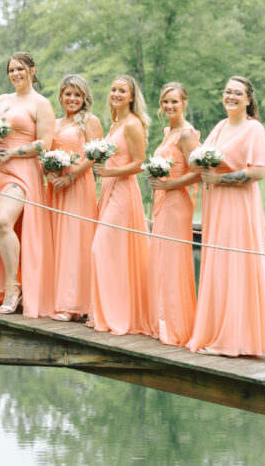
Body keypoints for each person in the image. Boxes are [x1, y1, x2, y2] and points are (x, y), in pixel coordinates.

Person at [188, 76, 265, 356]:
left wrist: (220, 179)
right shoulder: (219, 127)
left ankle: (234, 340)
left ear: (248, 99)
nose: (231, 96)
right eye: (227, 92)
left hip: (238, 206)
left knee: (235, 264)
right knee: (218, 266)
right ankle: (218, 333)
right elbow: (202, 156)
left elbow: (258, 172)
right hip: (216, 206)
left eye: (237, 93)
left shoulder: (254, 130)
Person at [0, 51, 56, 317]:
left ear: (32, 70)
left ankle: (14, 288)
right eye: (11, 70)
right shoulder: (1, 99)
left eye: (20, 69)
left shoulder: (41, 103)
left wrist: (13, 152)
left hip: (22, 171)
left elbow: (45, 143)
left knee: (3, 221)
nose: (15, 74)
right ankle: (2, 286)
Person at [90, 75, 152, 336]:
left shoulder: (133, 124)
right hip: (108, 189)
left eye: (122, 90)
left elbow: (139, 163)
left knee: (101, 247)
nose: (116, 94)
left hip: (124, 191)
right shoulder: (115, 124)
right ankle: (104, 313)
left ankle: (117, 315)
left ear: (131, 96)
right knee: (114, 252)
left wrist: (109, 173)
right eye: (113, 89)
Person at [146, 82, 201, 346]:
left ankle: (176, 328)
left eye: (174, 102)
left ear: (184, 102)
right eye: (165, 102)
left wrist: (169, 184)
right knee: (161, 263)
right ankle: (162, 321)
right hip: (162, 200)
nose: (169, 106)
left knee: (172, 264)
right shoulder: (168, 131)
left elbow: (197, 173)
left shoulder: (187, 135)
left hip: (176, 201)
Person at [45, 75, 102, 323]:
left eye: (77, 95)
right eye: (68, 94)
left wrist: (70, 177)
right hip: (55, 187)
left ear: (85, 98)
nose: (72, 99)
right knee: (57, 240)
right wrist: (50, 174)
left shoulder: (90, 121)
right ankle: (58, 299)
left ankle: (77, 304)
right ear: (61, 96)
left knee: (76, 241)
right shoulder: (54, 122)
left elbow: (94, 155)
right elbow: (44, 152)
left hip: (78, 185)